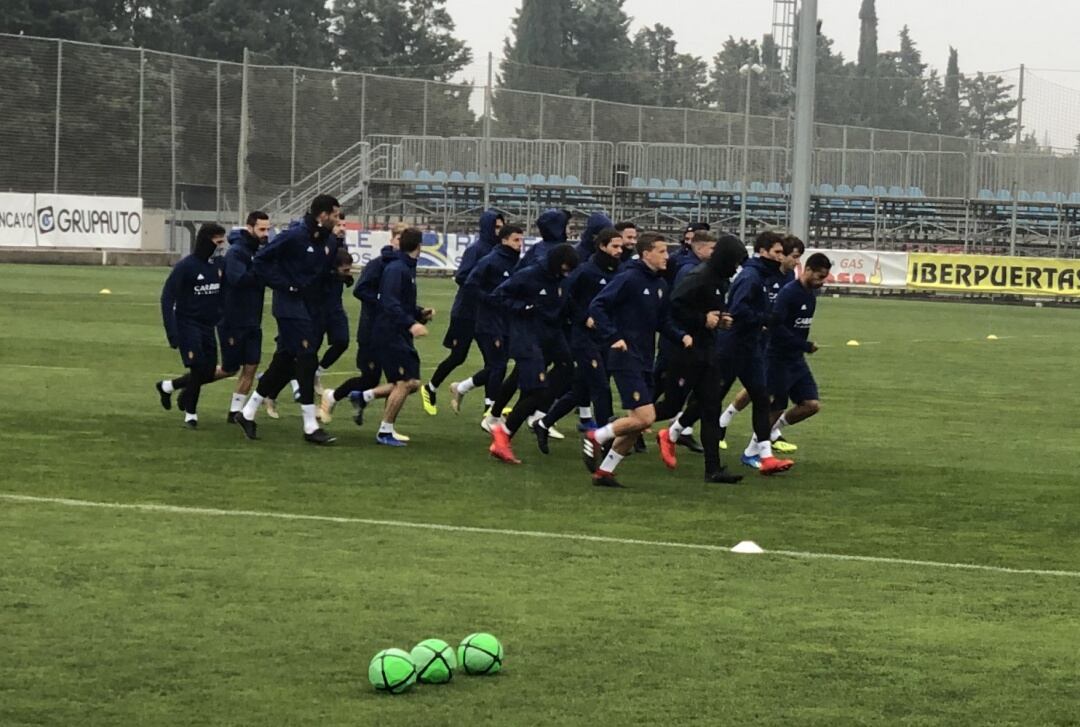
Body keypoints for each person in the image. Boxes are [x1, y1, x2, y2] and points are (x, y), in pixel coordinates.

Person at [581, 234, 691, 488]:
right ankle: (595, 436)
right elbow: (598, 306)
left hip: (644, 358)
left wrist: (681, 336)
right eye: (662, 251)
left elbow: (662, 322)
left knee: (637, 424)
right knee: (645, 417)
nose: (667, 256)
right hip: (624, 356)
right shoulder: (628, 278)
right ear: (646, 254)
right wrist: (613, 337)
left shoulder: (661, 285)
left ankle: (605, 472)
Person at [235, 194, 340, 445]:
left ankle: (247, 413)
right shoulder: (294, 236)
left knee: (284, 361)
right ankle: (309, 425)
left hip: (310, 308)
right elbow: (261, 261)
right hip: (289, 307)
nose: (338, 219)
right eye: (335, 214)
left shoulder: (328, 241)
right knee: (306, 358)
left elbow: (320, 274)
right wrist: (286, 286)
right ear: (322, 215)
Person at [657, 236, 747, 483]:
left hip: (707, 352)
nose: (737, 267)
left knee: (711, 408)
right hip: (685, 352)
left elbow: (711, 312)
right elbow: (672, 308)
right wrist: (701, 319)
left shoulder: (720, 280)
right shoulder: (698, 277)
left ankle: (713, 469)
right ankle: (615, 430)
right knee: (670, 406)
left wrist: (721, 320)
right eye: (736, 261)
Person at [531, 227, 623, 451]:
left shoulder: (619, 272)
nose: (620, 250)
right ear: (602, 246)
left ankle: (543, 423)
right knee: (601, 387)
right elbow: (565, 297)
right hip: (584, 339)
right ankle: (604, 438)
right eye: (615, 246)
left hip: (605, 337)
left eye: (621, 246)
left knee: (582, 390)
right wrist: (583, 318)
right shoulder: (585, 271)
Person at [487, 244, 580, 464]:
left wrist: (582, 317)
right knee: (536, 391)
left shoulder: (563, 280)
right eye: (565, 268)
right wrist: (523, 307)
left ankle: (536, 411)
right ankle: (504, 435)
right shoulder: (530, 275)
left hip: (552, 335)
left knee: (568, 369)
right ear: (556, 263)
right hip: (527, 337)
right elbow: (498, 295)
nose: (567, 273)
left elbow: (567, 304)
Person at [712, 230, 794, 475]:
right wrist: (765, 318)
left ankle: (765, 457)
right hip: (732, 347)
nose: (781, 257)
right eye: (777, 252)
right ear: (763, 251)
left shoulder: (763, 275)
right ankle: (673, 432)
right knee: (709, 399)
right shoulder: (751, 276)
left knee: (761, 398)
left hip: (751, 347)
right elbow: (737, 310)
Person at [318, 224, 404, 435]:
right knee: (373, 379)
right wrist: (382, 302)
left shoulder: (402, 266)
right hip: (372, 331)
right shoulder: (378, 264)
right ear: (393, 239)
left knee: (399, 381)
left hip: (392, 331)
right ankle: (333, 396)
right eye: (401, 238)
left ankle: (386, 426)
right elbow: (360, 289)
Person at [353, 227, 434, 447]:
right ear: (419, 246)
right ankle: (385, 430)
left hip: (395, 332)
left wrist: (418, 313)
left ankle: (364, 397)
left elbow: (400, 302)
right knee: (406, 382)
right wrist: (411, 324)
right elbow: (389, 302)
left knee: (413, 383)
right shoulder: (398, 269)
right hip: (390, 333)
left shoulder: (405, 267)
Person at [422, 210, 504, 415]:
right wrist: (483, 290)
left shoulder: (499, 251)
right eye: (496, 227)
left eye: (502, 227)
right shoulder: (476, 250)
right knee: (458, 356)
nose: (499, 231)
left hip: (486, 315)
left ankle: (489, 404)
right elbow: (462, 277)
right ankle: (430, 387)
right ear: (487, 227)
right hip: (466, 313)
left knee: (493, 361)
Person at [755, 252, 830, 455]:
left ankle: (772, 430)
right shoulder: (789, 293)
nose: (822, 281)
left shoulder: (811, 295)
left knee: (811, 405)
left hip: (796, 359)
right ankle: (753, 450)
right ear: (807, 270)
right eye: (819, 276)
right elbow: (776, 327)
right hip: (778, 357)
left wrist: (802, 347)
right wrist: (805, 345)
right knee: (776, 405)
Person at [155, 223, 229, 428]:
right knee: (197, 369)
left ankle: (168, 386)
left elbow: (222, 292)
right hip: (188, 324)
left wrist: (220, 313)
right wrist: (172, 331)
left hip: (208, 325)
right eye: (218, 242)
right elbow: (167, 298)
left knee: (208, 370)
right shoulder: (186, 266)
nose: (222, 246)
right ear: (207, 242)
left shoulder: (219, 265)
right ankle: (191, 413)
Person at [450, 224, 524, 425]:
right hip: (488, 321)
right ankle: (490, 409)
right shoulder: (490, 261)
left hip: (507, 321)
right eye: (516, 240)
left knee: (497, 365)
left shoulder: (516, 262)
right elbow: (469, 285)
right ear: (504, 240)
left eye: (521, 240)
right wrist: (489, 299)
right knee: (498, 365)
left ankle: (461, 388)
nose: (520, 244)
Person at [218, 212, 270, 423]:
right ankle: (186, 384)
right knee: (229, 368)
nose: (266, 234)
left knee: (252, 365)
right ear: (250, 228)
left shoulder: (258, 251)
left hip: (252, 320)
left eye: (268, 229)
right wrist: (261, 272)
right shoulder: (237, 252)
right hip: (233, 319)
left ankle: (234, 412)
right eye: (262, 229)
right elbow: (238, 279)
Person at [313, 216, 353, 396]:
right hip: (318, 306)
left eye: (344, 225)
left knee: (342, 341)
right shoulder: (323, 245)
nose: (342, 228)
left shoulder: (342, 247)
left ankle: (317, 372)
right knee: (308, 349)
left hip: (335, 305)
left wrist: (345, 277)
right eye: (338, 225)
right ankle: (270, 385)